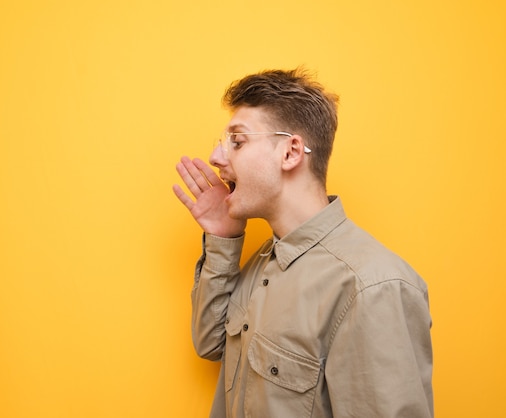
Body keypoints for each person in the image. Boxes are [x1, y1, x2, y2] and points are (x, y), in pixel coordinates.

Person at [172, 68, 433, 417]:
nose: (217, 158)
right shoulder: (266, 260)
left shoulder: (371, 288)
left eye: (237, 140)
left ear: (291, 153)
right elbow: (211, 342)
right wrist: (224, 237)